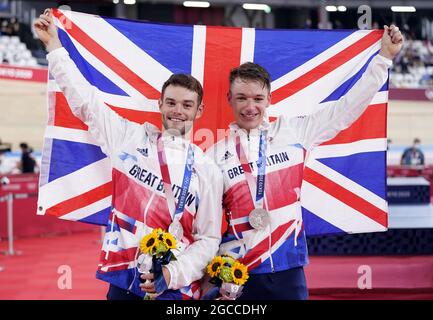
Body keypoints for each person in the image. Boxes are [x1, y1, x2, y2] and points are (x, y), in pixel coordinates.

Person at [34, 9, 223, 300]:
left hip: (175, 288)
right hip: (123, 278)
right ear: (160, 104)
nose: (177, 111)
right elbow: (86, 102)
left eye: (187, 105)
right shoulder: (129, 138)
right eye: (171, 102)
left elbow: (209, 238)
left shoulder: (206, 168)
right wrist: (54, 47)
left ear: (198, 111)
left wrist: (174, 273)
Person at [206, 25, 404, 300]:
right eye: (241, 98)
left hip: (289, 266)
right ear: (229, 99)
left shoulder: (295, 132)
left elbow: (347, 109)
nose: (250, 106)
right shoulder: (213, 156)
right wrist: (212, 277)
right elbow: (204, 222)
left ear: (270, 100)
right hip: (236, 273)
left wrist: (383, 59)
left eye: (257, 98)